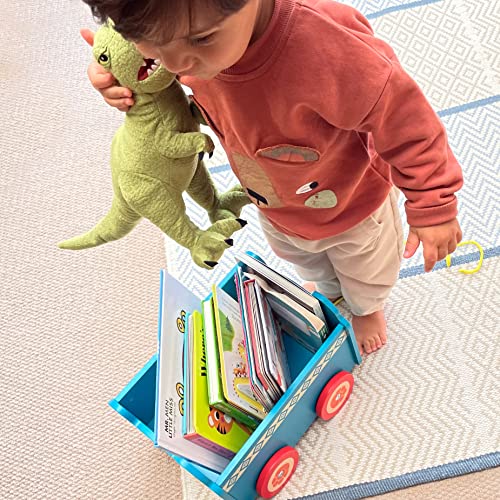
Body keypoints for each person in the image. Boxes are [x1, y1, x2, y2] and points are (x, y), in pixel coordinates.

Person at [81, 0, 463, 355]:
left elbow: (401, 116)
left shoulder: (327, 48)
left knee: (367, 271)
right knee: (306, 262)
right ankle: (334, 291)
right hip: (271, 201)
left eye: (201, 39)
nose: (176, 65)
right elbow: (127, 47)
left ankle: (366, 306)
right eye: (149, 44)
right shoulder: (169, 25)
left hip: (353, 203)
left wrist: (434, 202)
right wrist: (113, 71)